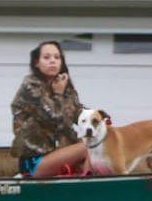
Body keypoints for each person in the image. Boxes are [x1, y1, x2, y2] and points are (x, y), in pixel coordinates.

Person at [10, 41, 93, 179]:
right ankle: (84, 183)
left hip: (58, 153)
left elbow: (78, 113)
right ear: (37, 62)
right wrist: (58, 94)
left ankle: (86, 180)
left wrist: (100, 119)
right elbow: (53, 117)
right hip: (34, 162)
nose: (52, 61)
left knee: (99, 143)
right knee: (88, 147)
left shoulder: (63, 86)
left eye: (57, 57)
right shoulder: (30, 87)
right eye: (47, 57)